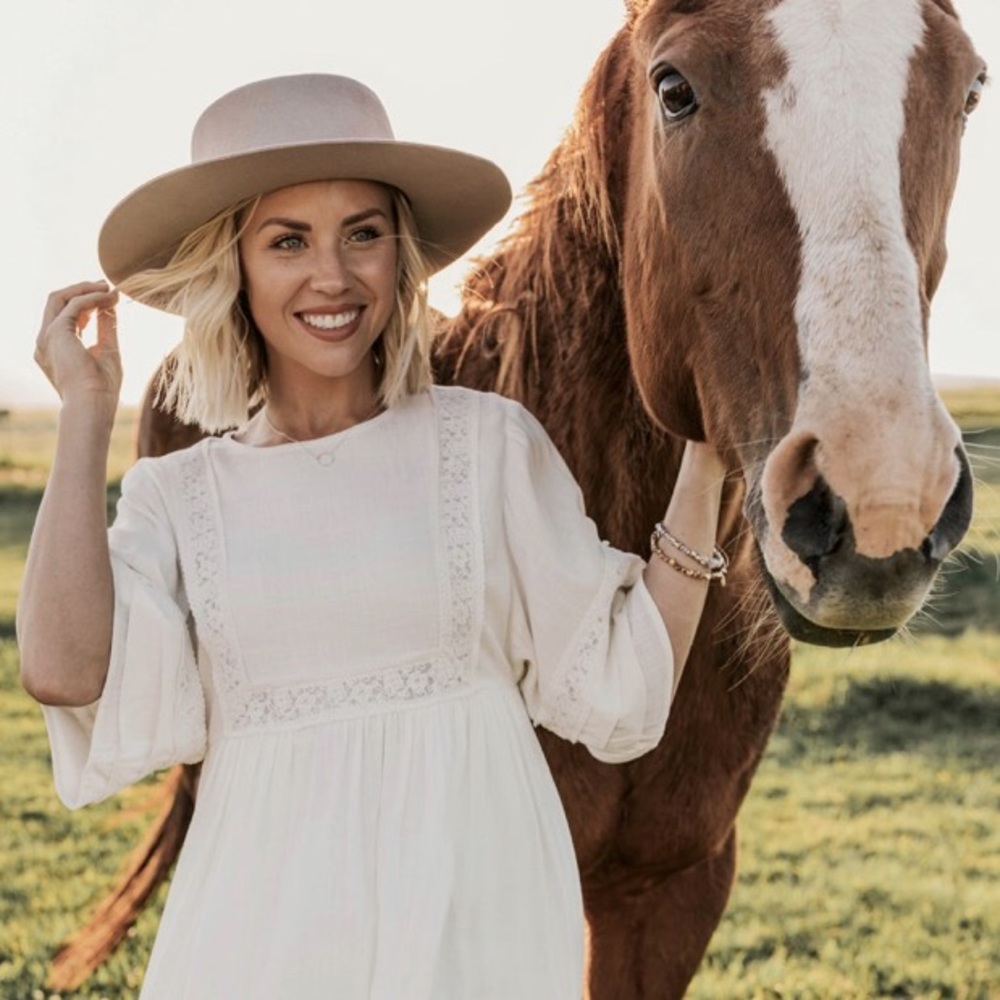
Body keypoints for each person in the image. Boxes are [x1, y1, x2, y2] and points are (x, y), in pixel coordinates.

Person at [18, 74, 727, 999]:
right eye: (287, 242)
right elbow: (65, 672)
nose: (333, 276)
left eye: (362, 234)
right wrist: (85, 410)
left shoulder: (484, 445)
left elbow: (626, 682)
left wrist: (708, 466)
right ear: (232, 265)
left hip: (481, 927)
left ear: (400, 255)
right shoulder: (179, 498)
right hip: (258, 933)